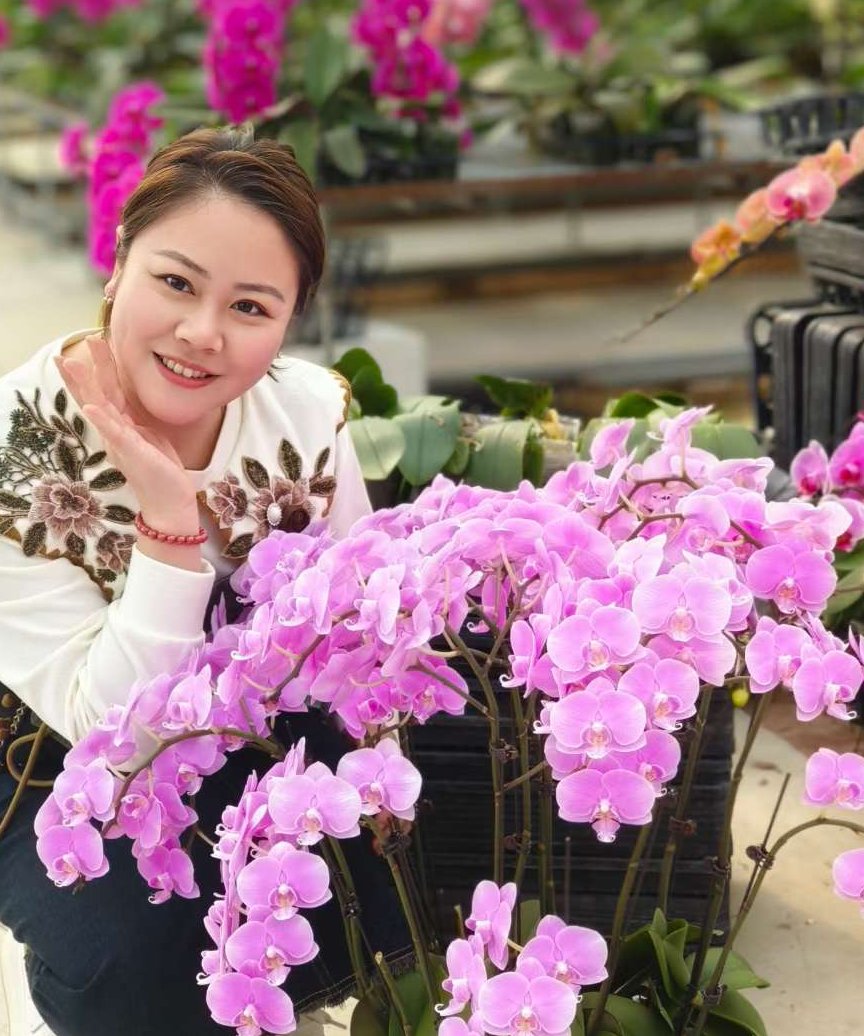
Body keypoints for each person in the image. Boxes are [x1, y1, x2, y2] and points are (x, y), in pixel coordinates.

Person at [0, 125, 410, 1036]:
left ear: (291, 319)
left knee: (401, 874)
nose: (202, 334)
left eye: (251, 307)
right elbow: (107, 727)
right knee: (131, 965)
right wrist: (167, 524)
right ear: (119, 262)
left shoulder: (303, 409)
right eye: (176, 283)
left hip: (248, 724)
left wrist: (387, 767)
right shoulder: (16, 444)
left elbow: (360, 622)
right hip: (39, 749)